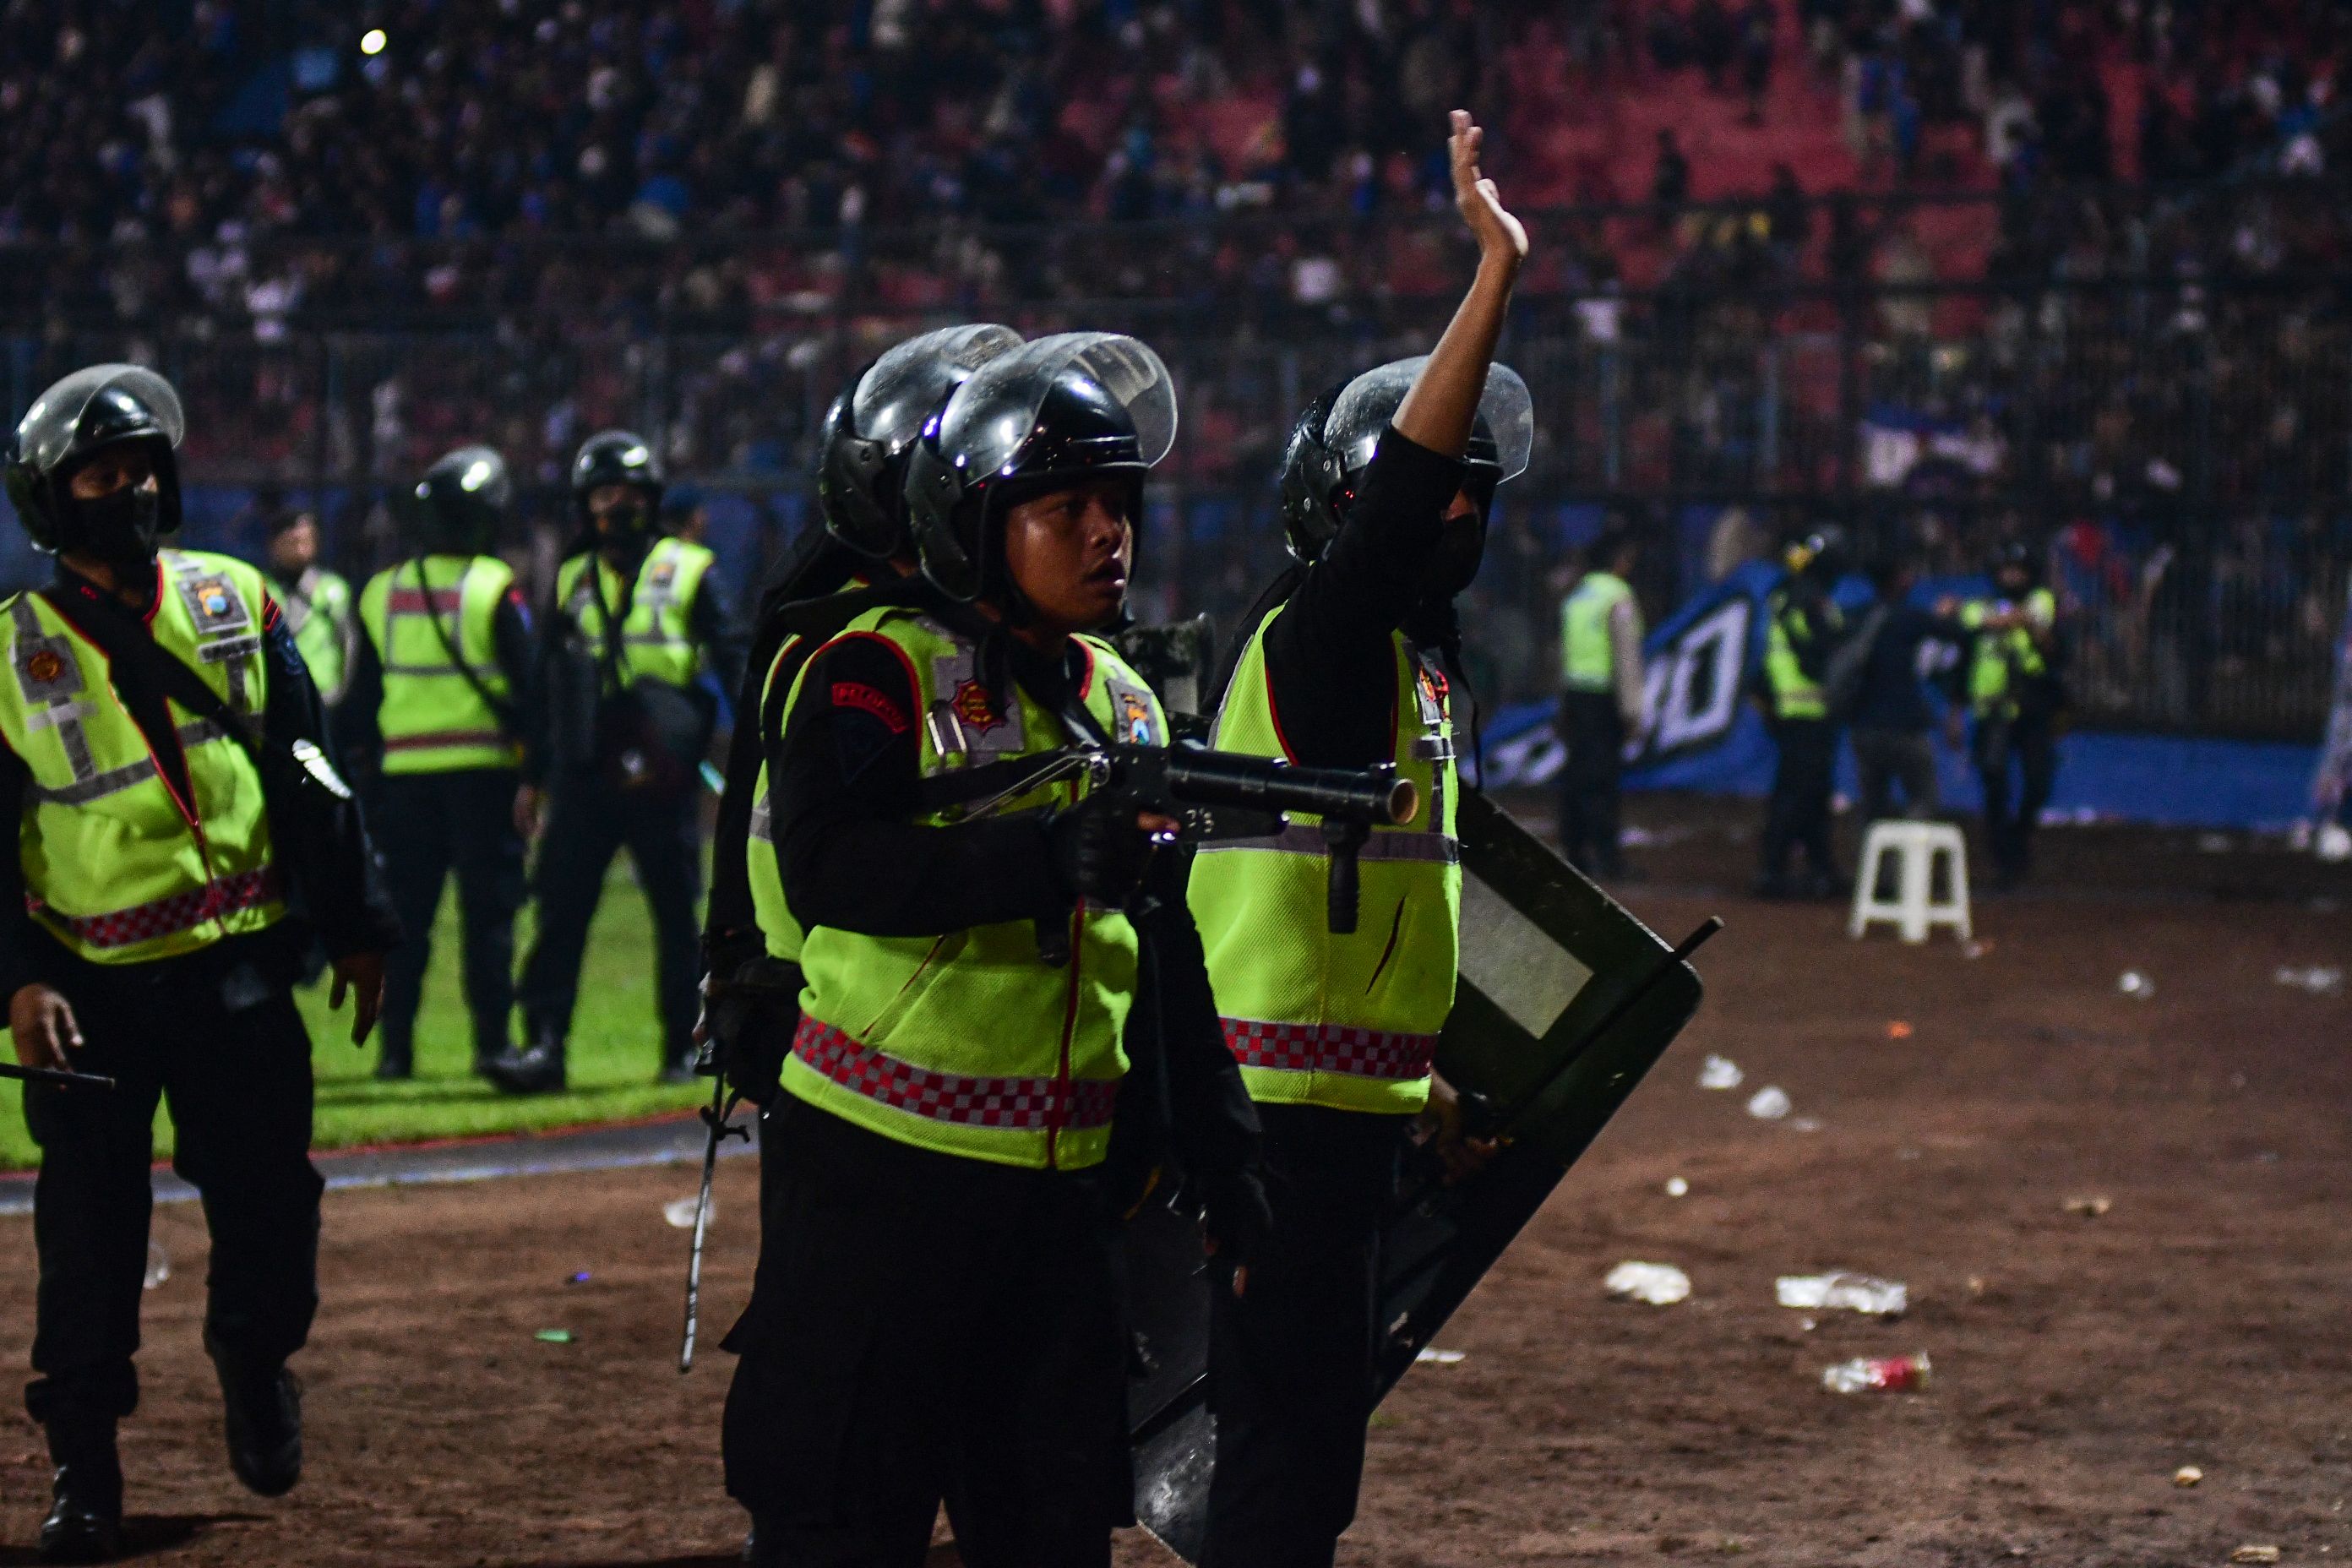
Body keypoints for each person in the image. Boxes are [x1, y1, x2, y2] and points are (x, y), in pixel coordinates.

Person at [721, 330, 1266, 1567]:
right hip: (876, 1192)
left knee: (1056, 1536)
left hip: (1056, 1214)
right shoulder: (874, 669)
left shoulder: (1125, 698)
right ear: (973, 522)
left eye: (1119, 505)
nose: (1106, 534)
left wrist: (1228, 1158)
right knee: (841, 1532)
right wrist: (1044, 857)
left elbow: (1163, 945)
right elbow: (831, 868)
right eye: (1064, 507)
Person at [1186, 111, 1525, 1568]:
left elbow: (1375, 910)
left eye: (1479, 495)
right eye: (1438, 486)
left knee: (1310, 1443)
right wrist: (1491, 275)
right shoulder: (1321, 637)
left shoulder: (1419, 672)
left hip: (1348, 1112)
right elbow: (1393, 514)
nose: (1458, 506)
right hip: (1272, 1116)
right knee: (1280, 1447)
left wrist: (1423, 1074)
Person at [0, 365, 395, 1563]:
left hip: (239, 975)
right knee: (88, 1240)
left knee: (276, 1211)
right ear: (52, 501)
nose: (127, 491)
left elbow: (311, 774)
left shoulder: (238, 599)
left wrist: (360, 924)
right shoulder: (11, 650)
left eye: (140, 470)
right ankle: (84, 1468)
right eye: (98, 474)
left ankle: (252, 1353)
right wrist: (17, 979)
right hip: (90, 994)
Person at [698, 323, 1025, 1564]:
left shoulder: (813, 605)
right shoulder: (863, 638)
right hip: (849, 1019)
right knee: (846, 1355)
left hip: (827, 1009)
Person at [490, 432, 748, 1093]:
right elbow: (547, 682)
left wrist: (753, 745)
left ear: (651, 499)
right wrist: (532, 775)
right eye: (604, 495)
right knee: (559, 910)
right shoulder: (572, 576)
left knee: (675, 913)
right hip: (584, 769)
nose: (616, 507)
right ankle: (545, 1047)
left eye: (628, 494)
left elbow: (732, 657)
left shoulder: (689, 568)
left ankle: (684, 1047)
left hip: (662, 770)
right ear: (585, 504)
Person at [342, 446, 534, 1081]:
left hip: (402, 784)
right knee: (489, 924)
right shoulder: (493, 587)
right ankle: (490, 1047)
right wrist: (536, 774)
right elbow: (528, 690)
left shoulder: (379, 592)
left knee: (404, 925)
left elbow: (361, 700)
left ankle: (396, 1055)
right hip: (483, 779)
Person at [1961, 541, 2062, 889]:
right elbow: (1973, 626)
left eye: (2018, 570)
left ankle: (2019, 837)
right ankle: (2004, 858)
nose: (2012, 576)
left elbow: (2049, 642)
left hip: (2032, 706)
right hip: (1992, 709)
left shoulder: (2042, 601)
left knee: (2038, 780)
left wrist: (2022, 623)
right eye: (2006, 570)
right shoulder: (1980, 607)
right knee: (1995, 782)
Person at [1756, 525, 1848, 898]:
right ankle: (1775, 871)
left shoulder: (1787, 595)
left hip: (1792, 708)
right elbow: (1818, 653)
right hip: (1807, 710)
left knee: (1808, 792)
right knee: (1797, 794)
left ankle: (1818, 866)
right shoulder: (1810, 600)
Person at [1847, 556, 1973, 823]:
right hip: (1905, 728)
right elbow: (1958, 634)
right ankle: (1911, 859)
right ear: (1899, 578)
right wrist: (1948, 614)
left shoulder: (1857, 616)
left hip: (1864, 726)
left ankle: (1876, 861)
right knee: (1924, 798)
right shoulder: (1909, 617)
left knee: (1873, 807)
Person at [1555, 528, 1646, 876]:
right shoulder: (1617, 596)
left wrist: (1562, 703)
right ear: (1619, 561)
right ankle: (1608, 858)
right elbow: (1626, 658)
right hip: (1603, 700)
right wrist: (1632, 711)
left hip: (1576, 698)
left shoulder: (1578, 595)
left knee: (1577, 777)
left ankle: (1574, 852)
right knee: (1603, 781)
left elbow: (1564, 653)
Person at [260, 509, 358, 709]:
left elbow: (349, 642)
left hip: (325, 696)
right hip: (278, 697)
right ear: (275, 545)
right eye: (293, 541)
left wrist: (342, 689)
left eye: (308, 540)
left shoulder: (333, 588)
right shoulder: (261, 588)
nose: (301, 549)